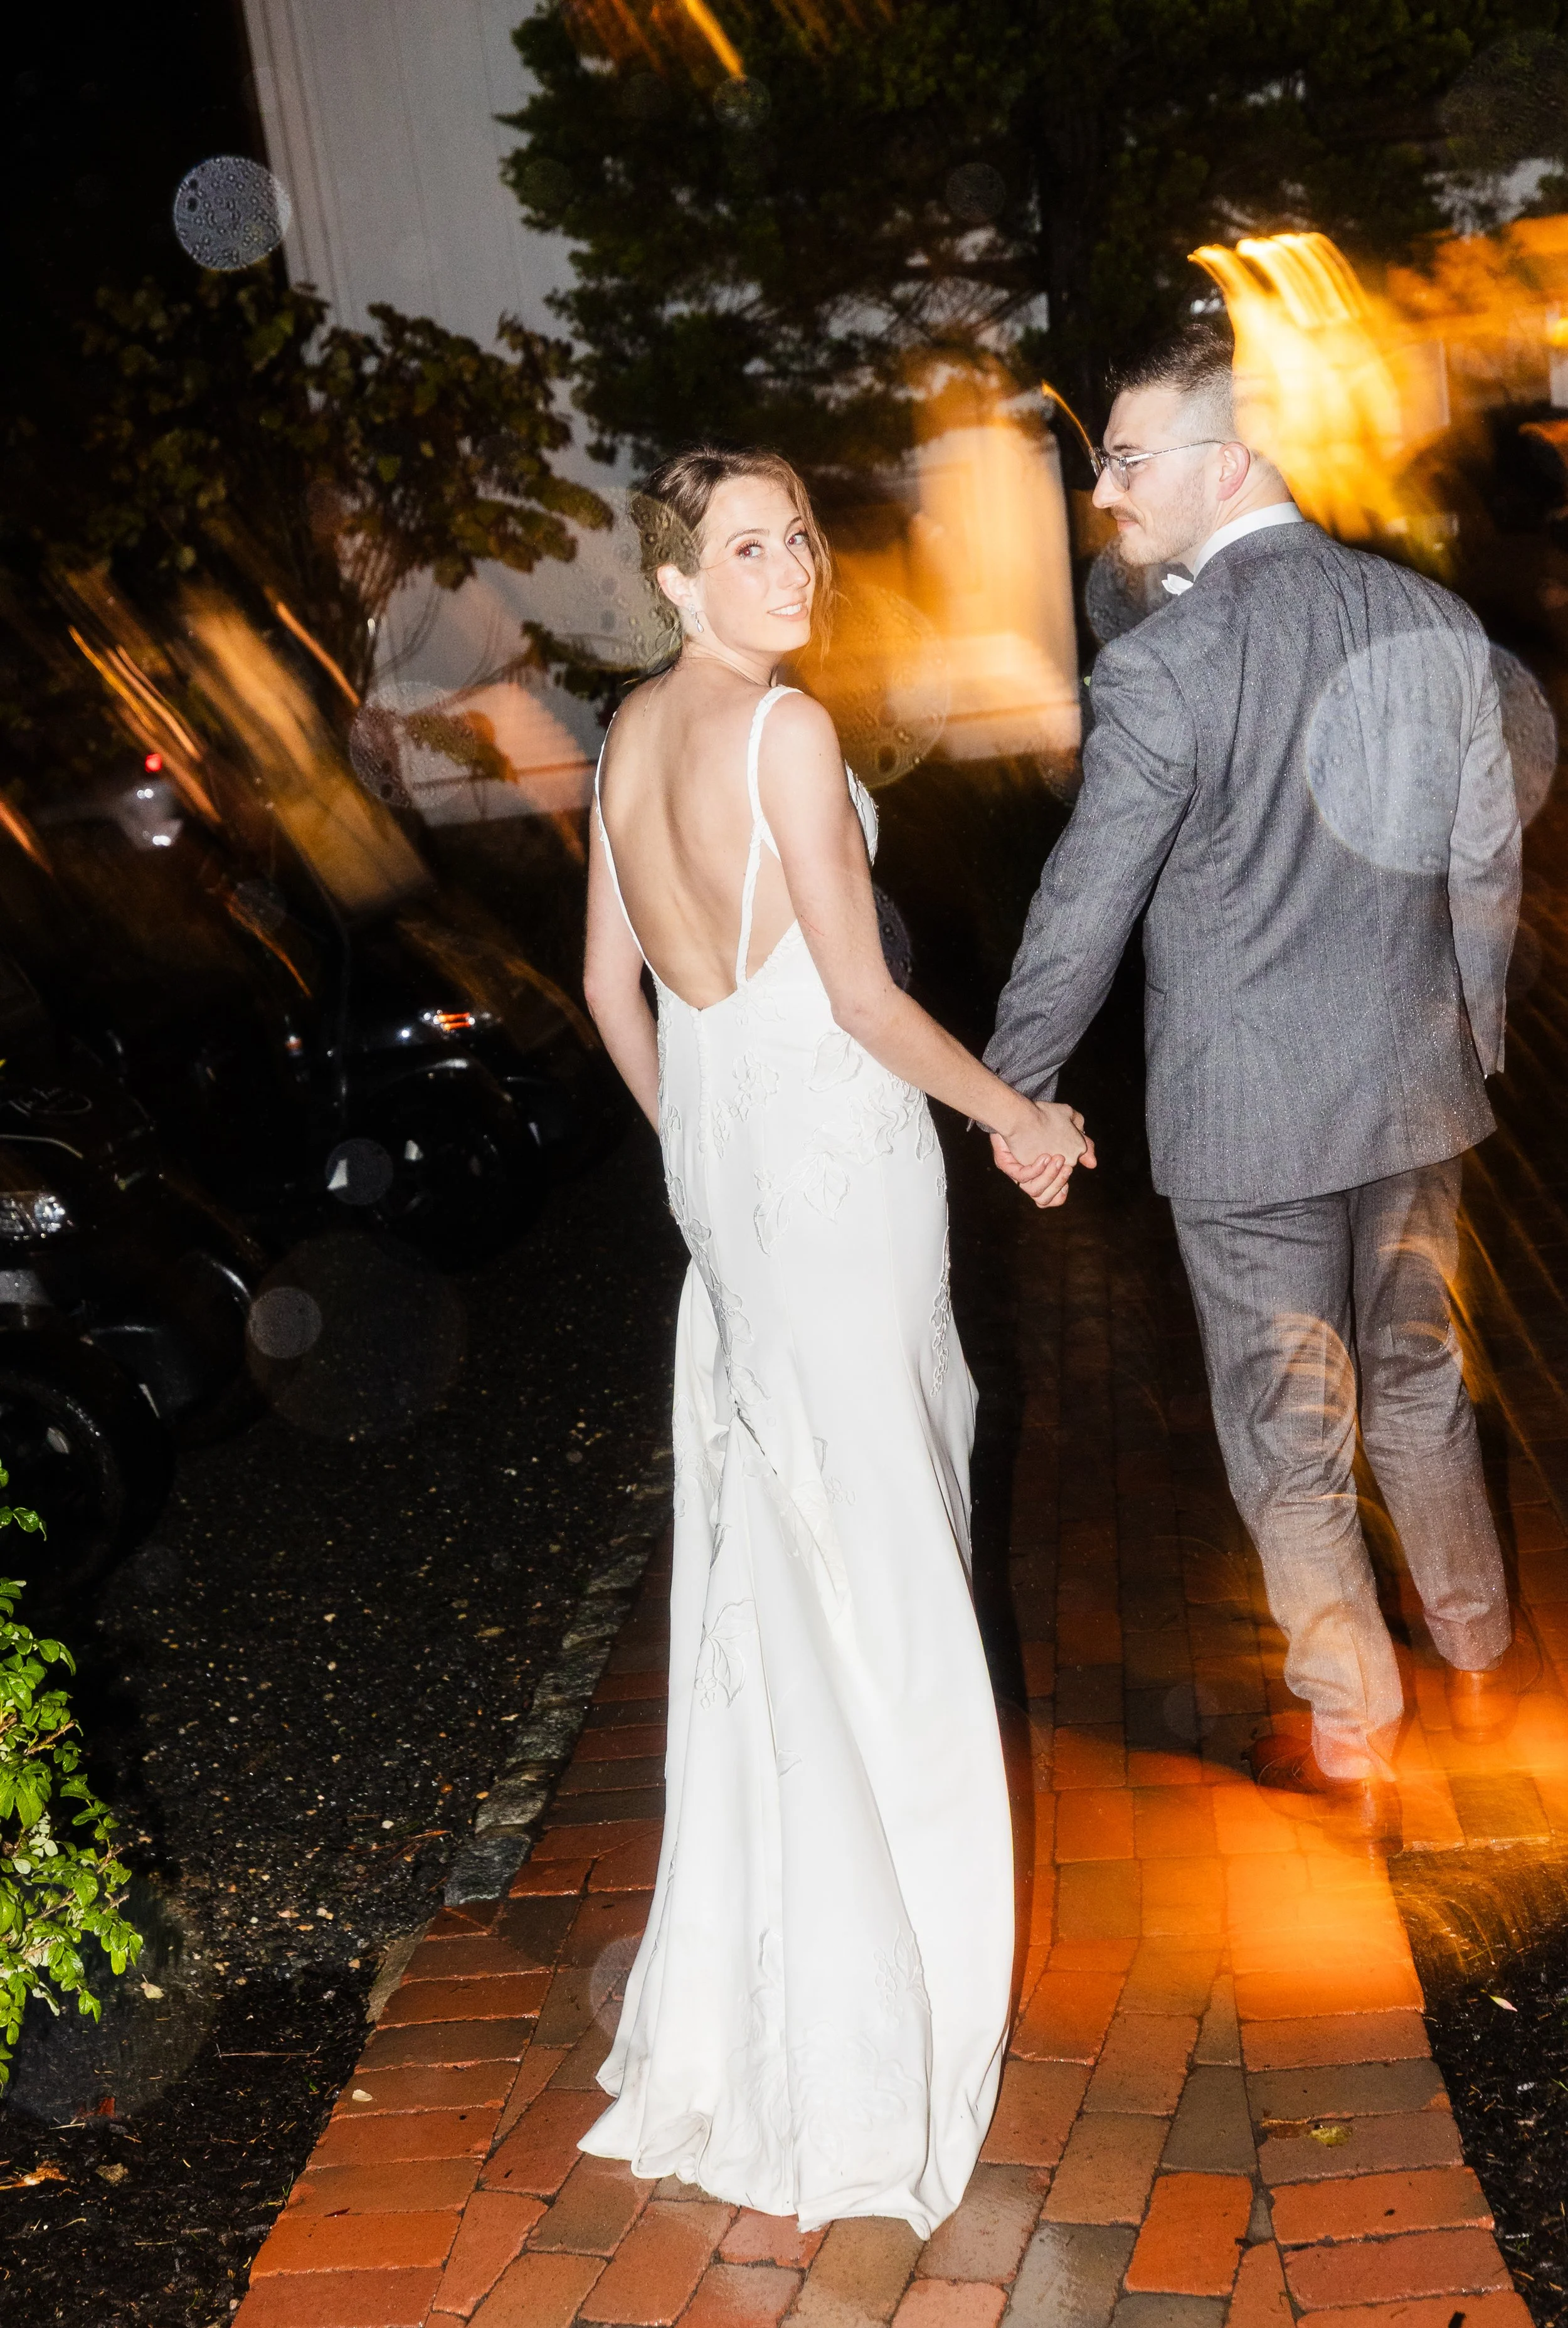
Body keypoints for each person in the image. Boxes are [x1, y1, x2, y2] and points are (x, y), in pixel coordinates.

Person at [578, 445, 1091, 2231]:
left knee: (779, 1554)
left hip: (735, 1195)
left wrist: (695, 1148)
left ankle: (776, 1986)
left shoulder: (624, 737)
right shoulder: (782, 731)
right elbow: (862, 996)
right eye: (747, 547)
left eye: (796, 536)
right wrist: (1017, 1117)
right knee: (877, 1556)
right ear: (675, 579)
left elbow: (608, 988)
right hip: (838, 1180)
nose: (792, 566)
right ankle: (886, 2010)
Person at [986, 322, 1523, 1858]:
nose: (1105, 494)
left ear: (1227, 461)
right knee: (1413, 1385)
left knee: (1292, 1434)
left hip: (1249, 1121)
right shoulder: (1427, 620)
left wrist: (1011, 1085)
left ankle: (1356, 1737)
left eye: (1126, 462)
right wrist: (1470, 1031)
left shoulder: (1166, 664)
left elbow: (1081, 905)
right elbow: (1482, 856)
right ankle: (1478, 1660)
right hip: (1414, 1090)